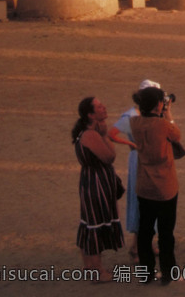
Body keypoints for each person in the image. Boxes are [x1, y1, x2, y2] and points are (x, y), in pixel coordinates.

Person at [130, 86, 182, 285]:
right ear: (158, 104)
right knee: (166, 232)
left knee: (145, 231)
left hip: (144, 186)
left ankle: (146, 273)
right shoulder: (162, 125)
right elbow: (176, 135)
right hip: (165, 186)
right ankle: (168, 273)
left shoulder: (134, 122)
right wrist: (168, 113)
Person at [72, 97, 125, 282]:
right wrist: (103, 136)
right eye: (100, 107)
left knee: (89, 223)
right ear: (91, 114)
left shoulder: (85, 133)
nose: (104, 108)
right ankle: (97, 271)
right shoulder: (91, 135)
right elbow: (109, 156)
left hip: (91, 182)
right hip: (97, 184)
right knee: (95, 224)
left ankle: (89, 268)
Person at [109, 80, 156, 256]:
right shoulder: (131, 116)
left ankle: (145, 244)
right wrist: (130, 143)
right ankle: (138, 246)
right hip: (140, 159)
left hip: (147, 158)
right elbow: (111, 133)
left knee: (151, 201)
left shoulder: (149, 114)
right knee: (141, 200)